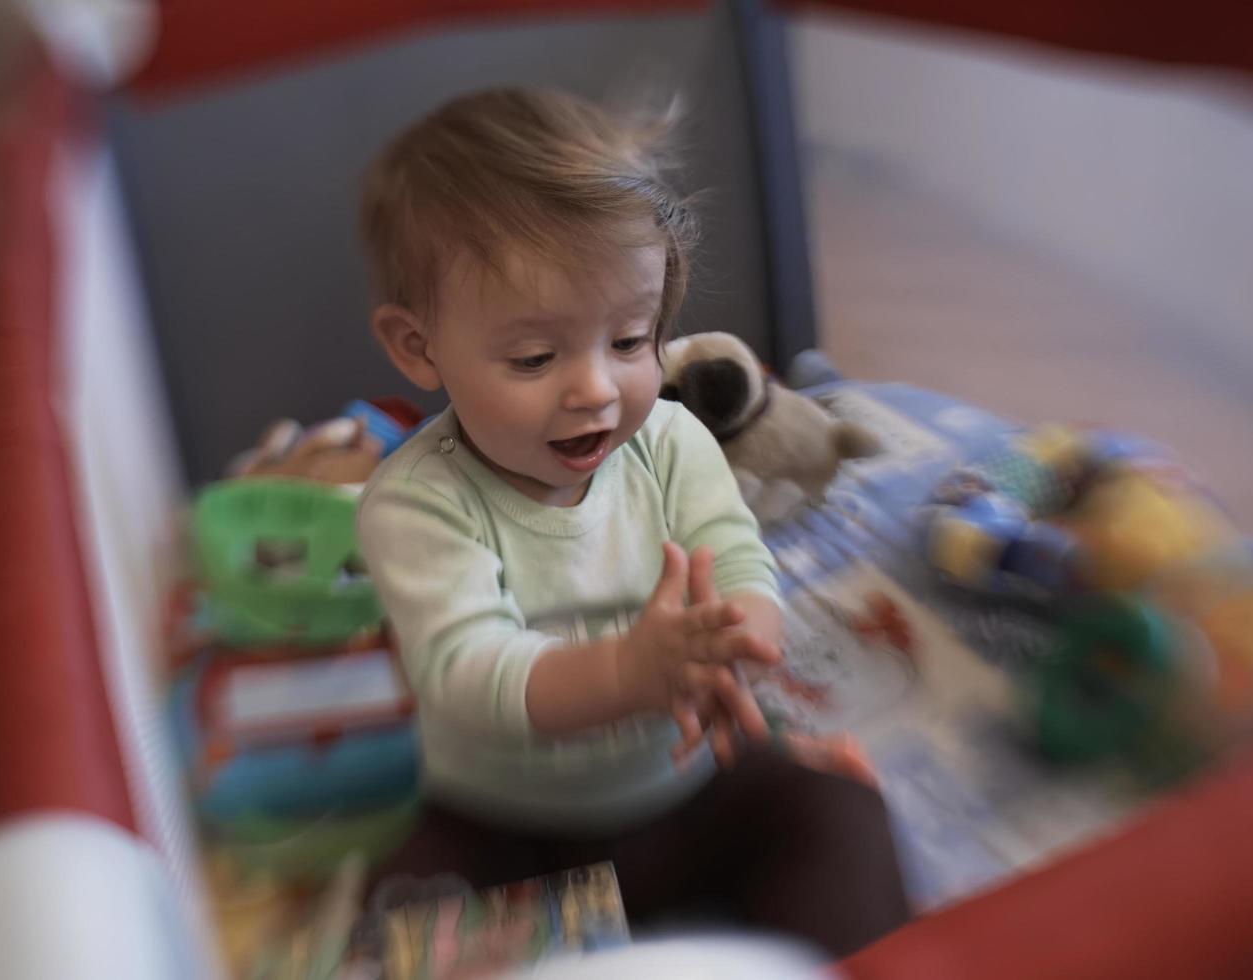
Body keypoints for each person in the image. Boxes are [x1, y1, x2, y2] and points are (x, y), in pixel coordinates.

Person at [355, 87, 910, 957]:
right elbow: (468, 671)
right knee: (399, 913)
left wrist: (739, 637)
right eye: (535, 357)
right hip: (505, 827)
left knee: (837, 812)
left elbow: (734, 555)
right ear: (417, 346)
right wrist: (628, 671)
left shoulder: (672, 440)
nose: (596, 390)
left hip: (688, 791)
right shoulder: (415, 503)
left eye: (628, 339)